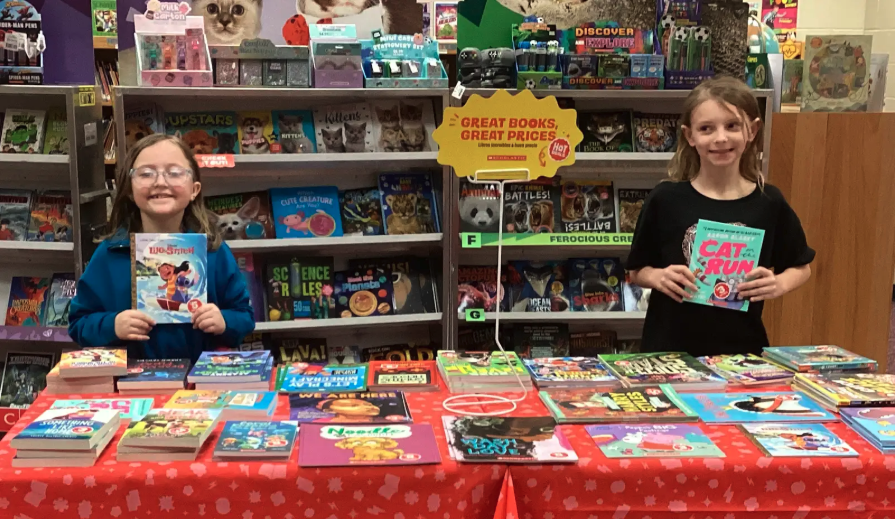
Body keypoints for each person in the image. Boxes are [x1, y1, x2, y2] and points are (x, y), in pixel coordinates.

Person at [627, 76, 814, 357]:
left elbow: (802, 266)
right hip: (669, 351)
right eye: (706, 128)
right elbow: (636, 271)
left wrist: (778, 284)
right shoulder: (665, 200)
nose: (721, 138)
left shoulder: (768, 202)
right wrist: (658, 277)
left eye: (732, 126)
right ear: (690, 136)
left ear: (752, 130)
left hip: (742, 352)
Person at [68, 134, 254, 362]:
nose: (160, 182)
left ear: (194, 189)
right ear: (129, 189)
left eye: (174, 172)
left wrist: (224, 321)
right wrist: (112, 325)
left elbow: (244, 317)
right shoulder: (110, 253)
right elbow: (79, 323)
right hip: (131, 389)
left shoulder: (213, 250)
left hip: (202, 386)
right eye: (146, 173)